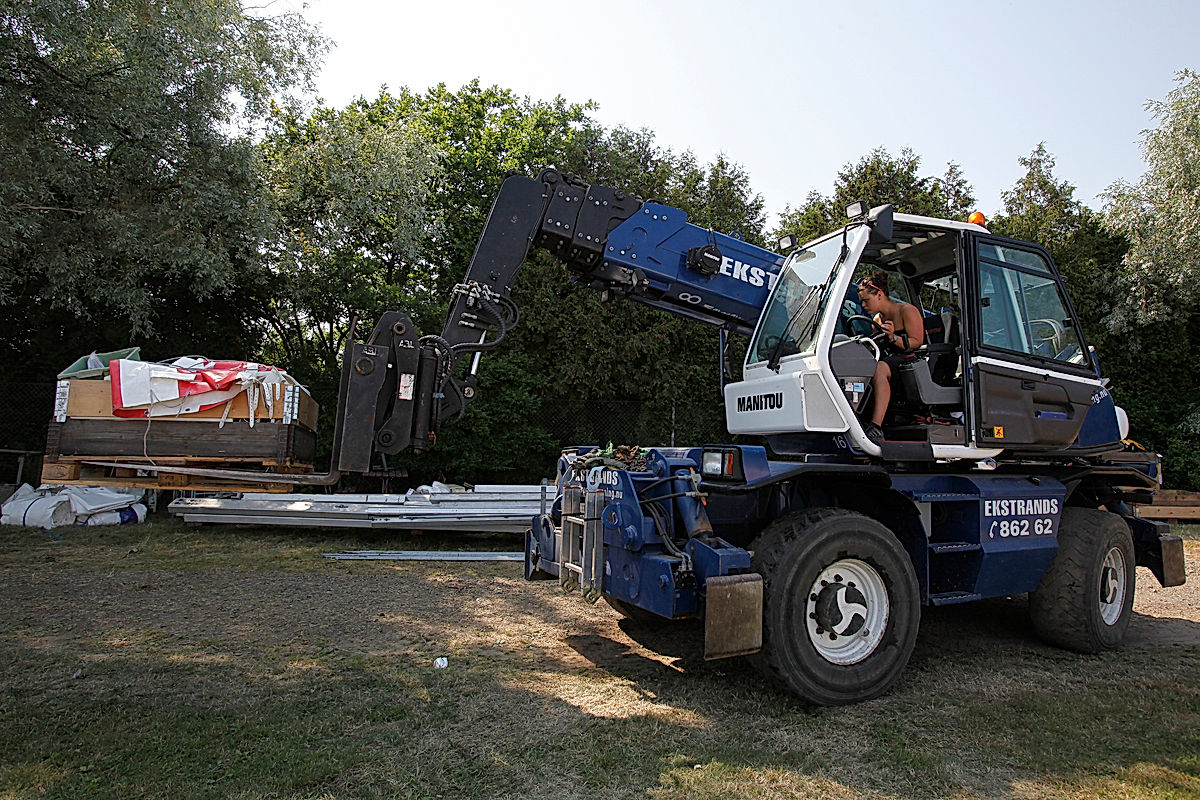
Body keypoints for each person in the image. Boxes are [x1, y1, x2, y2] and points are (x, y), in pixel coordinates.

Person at [857, 272, 924, 445]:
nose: (863, 305)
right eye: (862, 301)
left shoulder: (907, 311)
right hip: (888, 360)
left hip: (909, 361)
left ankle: (876, 426)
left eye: (866, 300)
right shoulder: (877, 319)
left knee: (880, 368)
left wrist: (894, 338)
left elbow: (917, 342)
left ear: (879, 295)